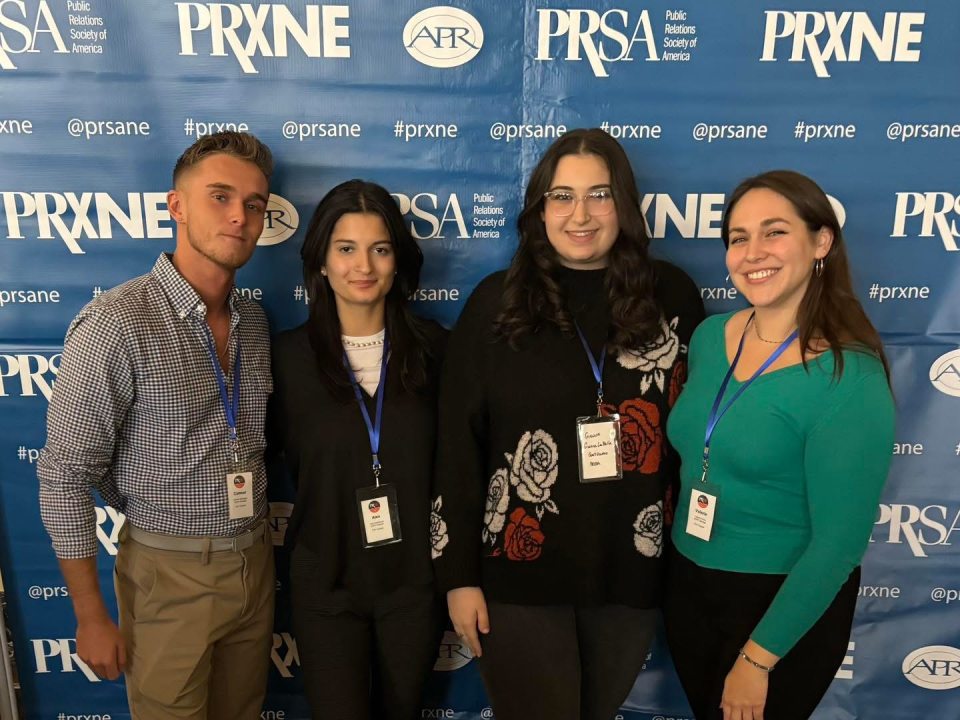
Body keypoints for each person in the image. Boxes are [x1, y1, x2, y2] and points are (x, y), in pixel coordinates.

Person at [431, 128, 704, 720]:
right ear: (540, 210)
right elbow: (457, 447)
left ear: (624, 204)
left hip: (630, 574)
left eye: (599, 194)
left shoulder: (672, 297)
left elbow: (692, 444)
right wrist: (458, 577)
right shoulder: (495, 303)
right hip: (517, 578)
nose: (580, 214)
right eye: (562, 197)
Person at [37, 131, 276, 719]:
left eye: (253, 205)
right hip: (169, 573)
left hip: (256, 560)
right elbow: (65, 476)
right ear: (176, 206)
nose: (238, 217)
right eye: (219, 197)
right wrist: (91, 616)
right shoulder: (117, 322)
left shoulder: (254, 320)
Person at [663, 170, 895, 720]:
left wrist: (757, 660)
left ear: (821, 242)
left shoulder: (848, 378)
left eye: (774, 232)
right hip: (690, 584)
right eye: (738, 237)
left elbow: (837, 547)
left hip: (779, 608)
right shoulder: (708, 338)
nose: (752, 252)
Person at [269, 180, 445, 720]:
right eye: (345, 248)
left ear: (397, 261)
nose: (362, 265)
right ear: (321, 261)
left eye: (380, 248)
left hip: (414, 583)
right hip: (327, 583)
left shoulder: (439, 350)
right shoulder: (285, 359)